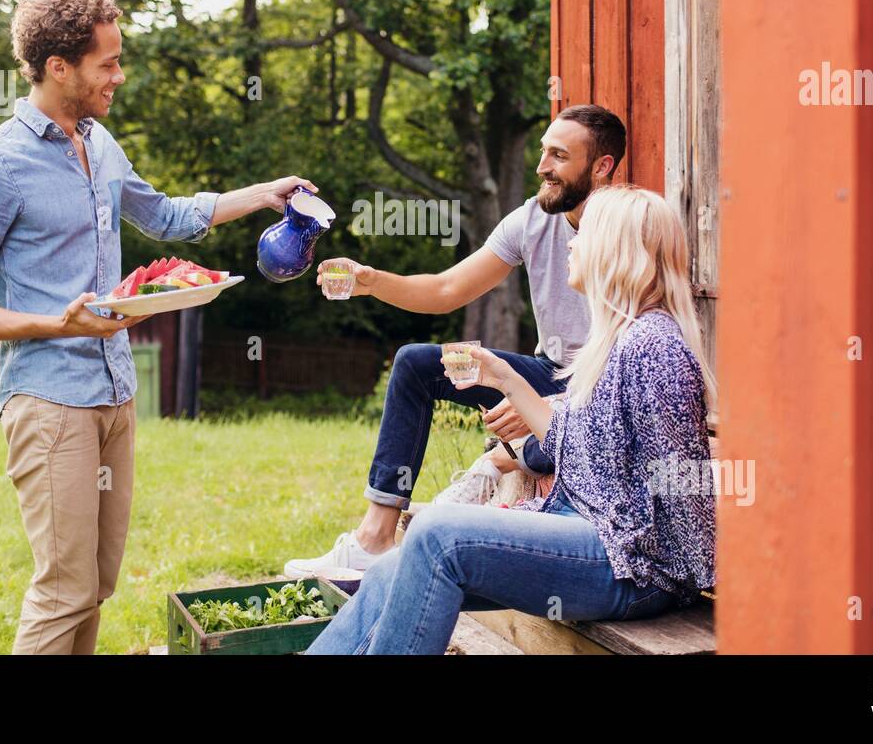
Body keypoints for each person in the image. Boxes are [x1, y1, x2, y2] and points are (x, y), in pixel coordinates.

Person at [0, 0, 317, 654]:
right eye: (107, 62)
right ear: (58, 67)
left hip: (113, 392)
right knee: (62, 589)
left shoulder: (98, 144)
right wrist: (57, 324)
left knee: (96, 583)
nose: (119, 74)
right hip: (49, 399)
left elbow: (162, 214)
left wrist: (261, 195)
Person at [305, 186, 717, 654]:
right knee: (388, 569)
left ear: (615, 249)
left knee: (437, 535)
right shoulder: (621, 339)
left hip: (631, 568)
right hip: (596, 539)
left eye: (585, 234)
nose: (571, 242)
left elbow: (685, 490)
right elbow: (576, 446)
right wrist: (503, 376)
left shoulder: (654, 346)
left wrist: (676, 574)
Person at [284, 104, 627, 579]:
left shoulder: (629, 230)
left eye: (559, 156)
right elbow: (447, 290)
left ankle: (493, 477)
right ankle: (374, 539)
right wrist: (372, 280)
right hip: (550, 370)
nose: (542, 166)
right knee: (415, 364)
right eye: (543, 151)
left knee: (542, 442)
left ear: (602, 166)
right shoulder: (530, 220)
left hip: (601, 390)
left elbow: (636, 366)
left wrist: (550, 404)